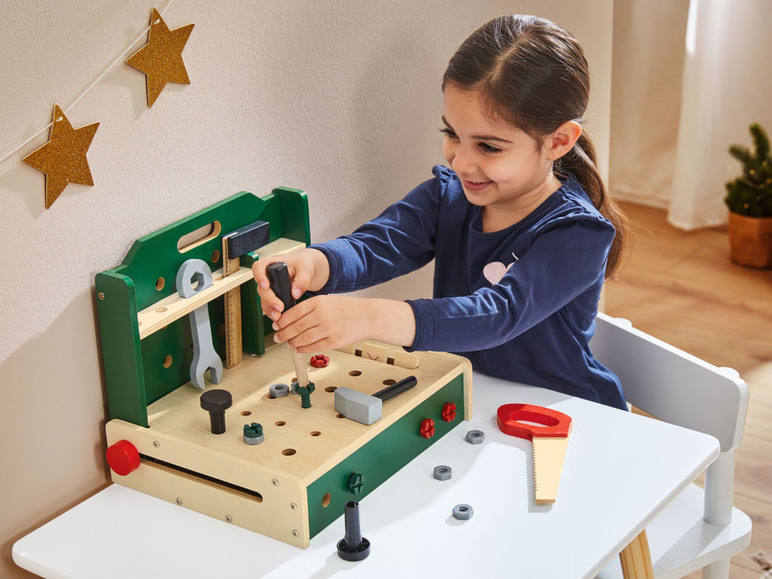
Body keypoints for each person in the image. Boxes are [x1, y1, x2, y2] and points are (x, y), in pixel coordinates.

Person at [252, 15, 628, 410]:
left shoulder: (578, 233)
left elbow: (497, 314)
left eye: (489, 147)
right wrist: (316, 264)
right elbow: (374, 247)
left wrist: (367, 317)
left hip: (567, 410)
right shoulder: (447, 196)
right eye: (452, 134)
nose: (460, 162)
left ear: (558, 142)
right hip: (469, 397)